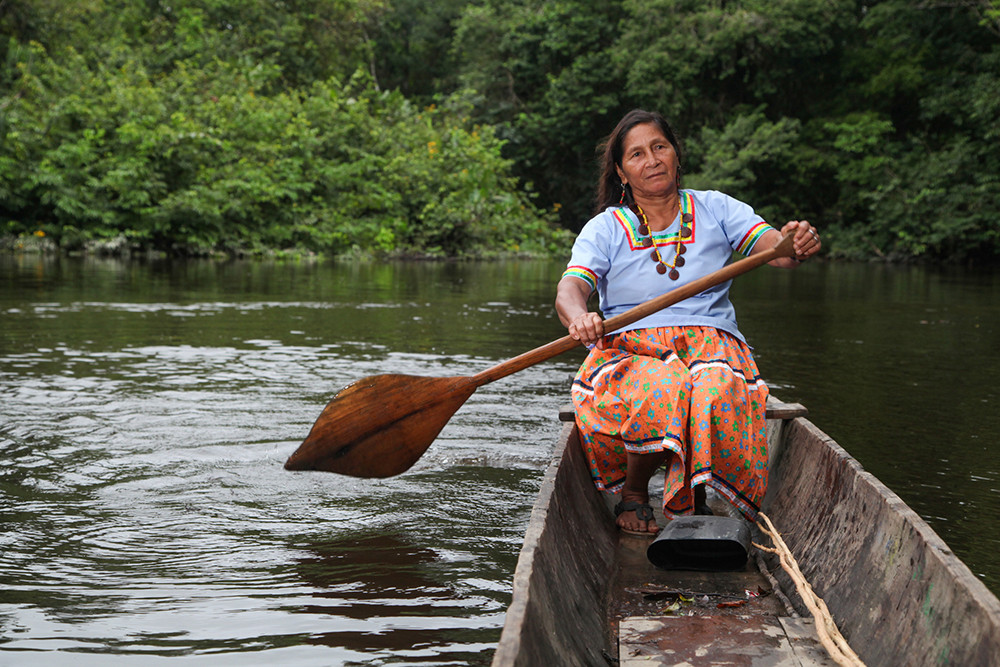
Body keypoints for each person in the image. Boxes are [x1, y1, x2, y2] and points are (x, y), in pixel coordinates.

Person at [555, 109, 821, 536]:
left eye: (660, 147)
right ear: (622, 172)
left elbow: (780, 252)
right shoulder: (605, 228)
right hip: (632, 349)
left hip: (713, 347)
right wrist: (581, 318)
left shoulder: (715, 208)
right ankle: (637, 491)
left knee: (713, 388)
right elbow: (570, 290)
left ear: (676, 154)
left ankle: (696, 494)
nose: (652, 160)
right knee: (665, 385)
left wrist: (794, 243)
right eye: (637, 154)